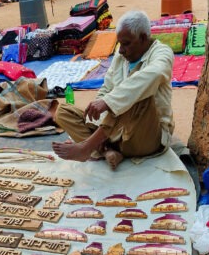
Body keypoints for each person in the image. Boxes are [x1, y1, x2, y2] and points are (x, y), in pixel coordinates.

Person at [52, 10, 174, 170]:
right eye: (120, 44)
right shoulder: (121, 55)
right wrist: (97, 110)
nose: (121, 50)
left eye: (127, 44)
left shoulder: (162, 53)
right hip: (117, 135)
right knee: (63, 112)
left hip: (146, 138)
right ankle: (107, 151)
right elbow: (107, 87)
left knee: (132, 99)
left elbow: (155, 74)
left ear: (143, 38)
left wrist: (108, 102)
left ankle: (87, 148)